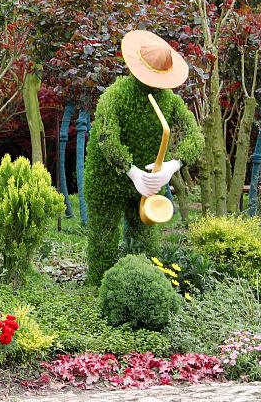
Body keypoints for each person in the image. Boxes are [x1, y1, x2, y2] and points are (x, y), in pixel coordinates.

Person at [83, 30, 203, 285]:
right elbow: (106, 137)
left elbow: (195, 137)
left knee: (144, 244)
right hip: (107, 181)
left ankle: (139, 289)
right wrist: (131, 171)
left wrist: (173, 165)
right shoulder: (115, 96)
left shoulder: (170, 101)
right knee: (103, 240)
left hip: (146, 188)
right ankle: (98, 293)